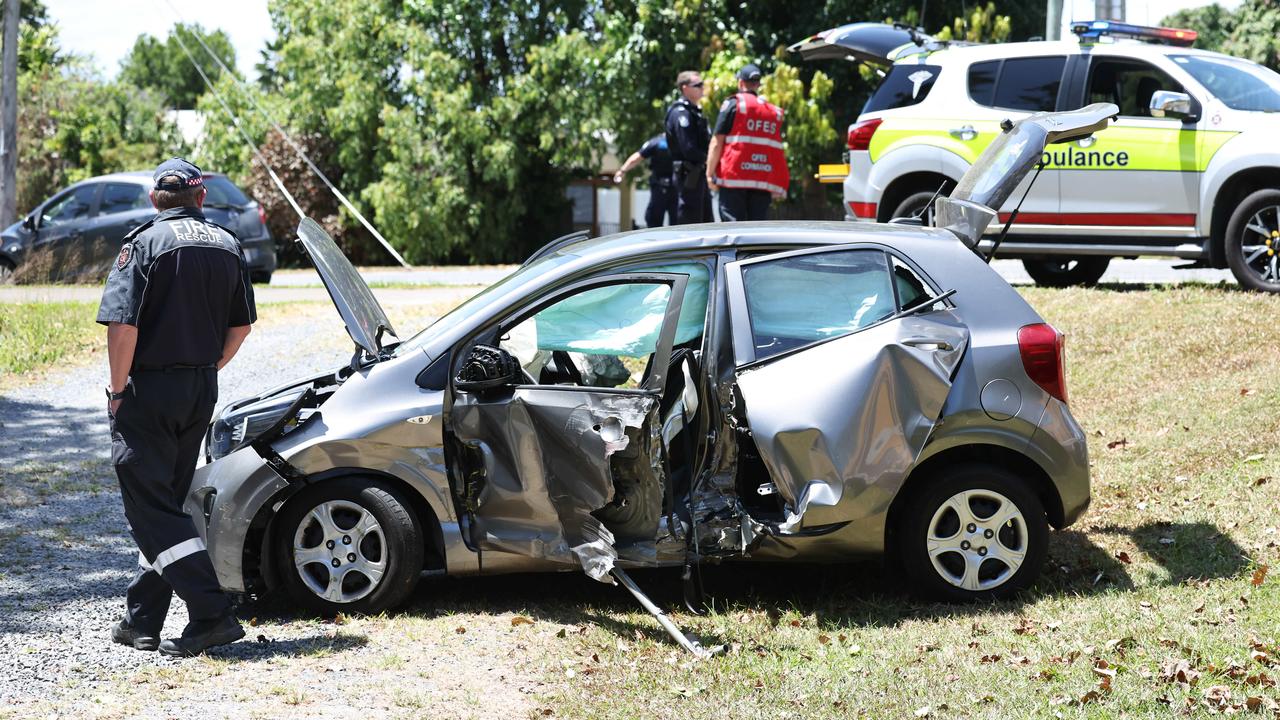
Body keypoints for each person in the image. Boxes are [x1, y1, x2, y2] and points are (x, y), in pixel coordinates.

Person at [98, 158, 256, 657]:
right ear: (201, 198)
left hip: (149, 392)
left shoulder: (143, 243)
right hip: (198, 390)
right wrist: (206, 369)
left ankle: (212, 613)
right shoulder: (229, 244)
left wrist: (117, 390)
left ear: (154, 200)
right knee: (167, 503)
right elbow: (242, 327)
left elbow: (123, 327)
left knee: (151, 510)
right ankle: (141, 621)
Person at [707, 64, 790, 221]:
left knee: (733, 230)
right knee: (757, 231)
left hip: (733, 179)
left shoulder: (733, 104)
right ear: (758, 84)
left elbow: (717, 142)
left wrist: (709, 173)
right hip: (761, 180)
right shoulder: (773, 111)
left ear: (740, 82)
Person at [664, 70, 712, 224]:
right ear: (685, 88)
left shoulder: (694, 112)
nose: (702, 88)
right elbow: (688, 148)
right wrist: (709, 159)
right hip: (689, 175)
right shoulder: (680, 113)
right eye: (697, 85)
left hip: (698, 173)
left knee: (705, 221)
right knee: (690, 221)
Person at [613, 134, 676, 228]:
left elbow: (637, 157)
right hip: (678, 187)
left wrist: (622, 170)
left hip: (660, 187)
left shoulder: (656, 142)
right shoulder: (682, 140)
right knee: (679, 222)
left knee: (653, 221)